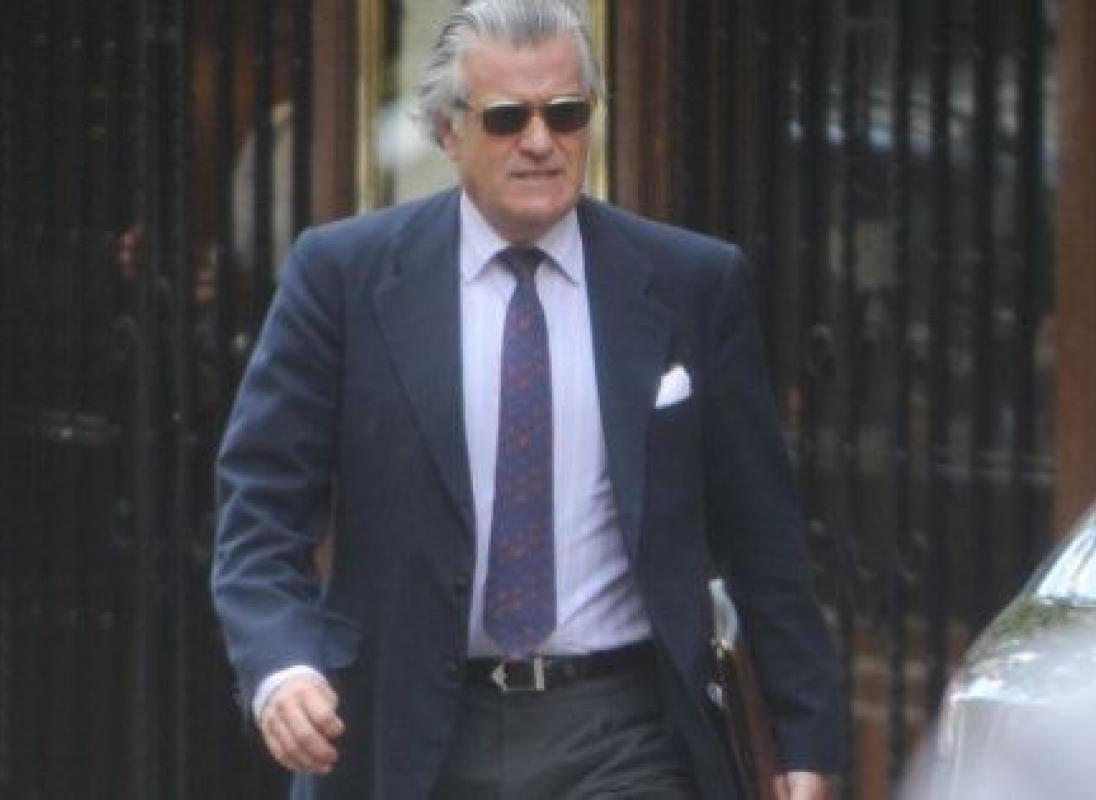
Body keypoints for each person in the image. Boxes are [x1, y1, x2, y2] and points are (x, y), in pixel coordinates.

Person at [210, 1, 843, 797]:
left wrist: (805, 738)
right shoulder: (343, 277)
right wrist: (283, 667)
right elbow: (261, 510)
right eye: (508, 117)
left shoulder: (692, 283)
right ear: (449, 133)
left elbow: (763, 534)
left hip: (625, 727)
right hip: (408, 728)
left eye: (566, 113)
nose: (541, 142)